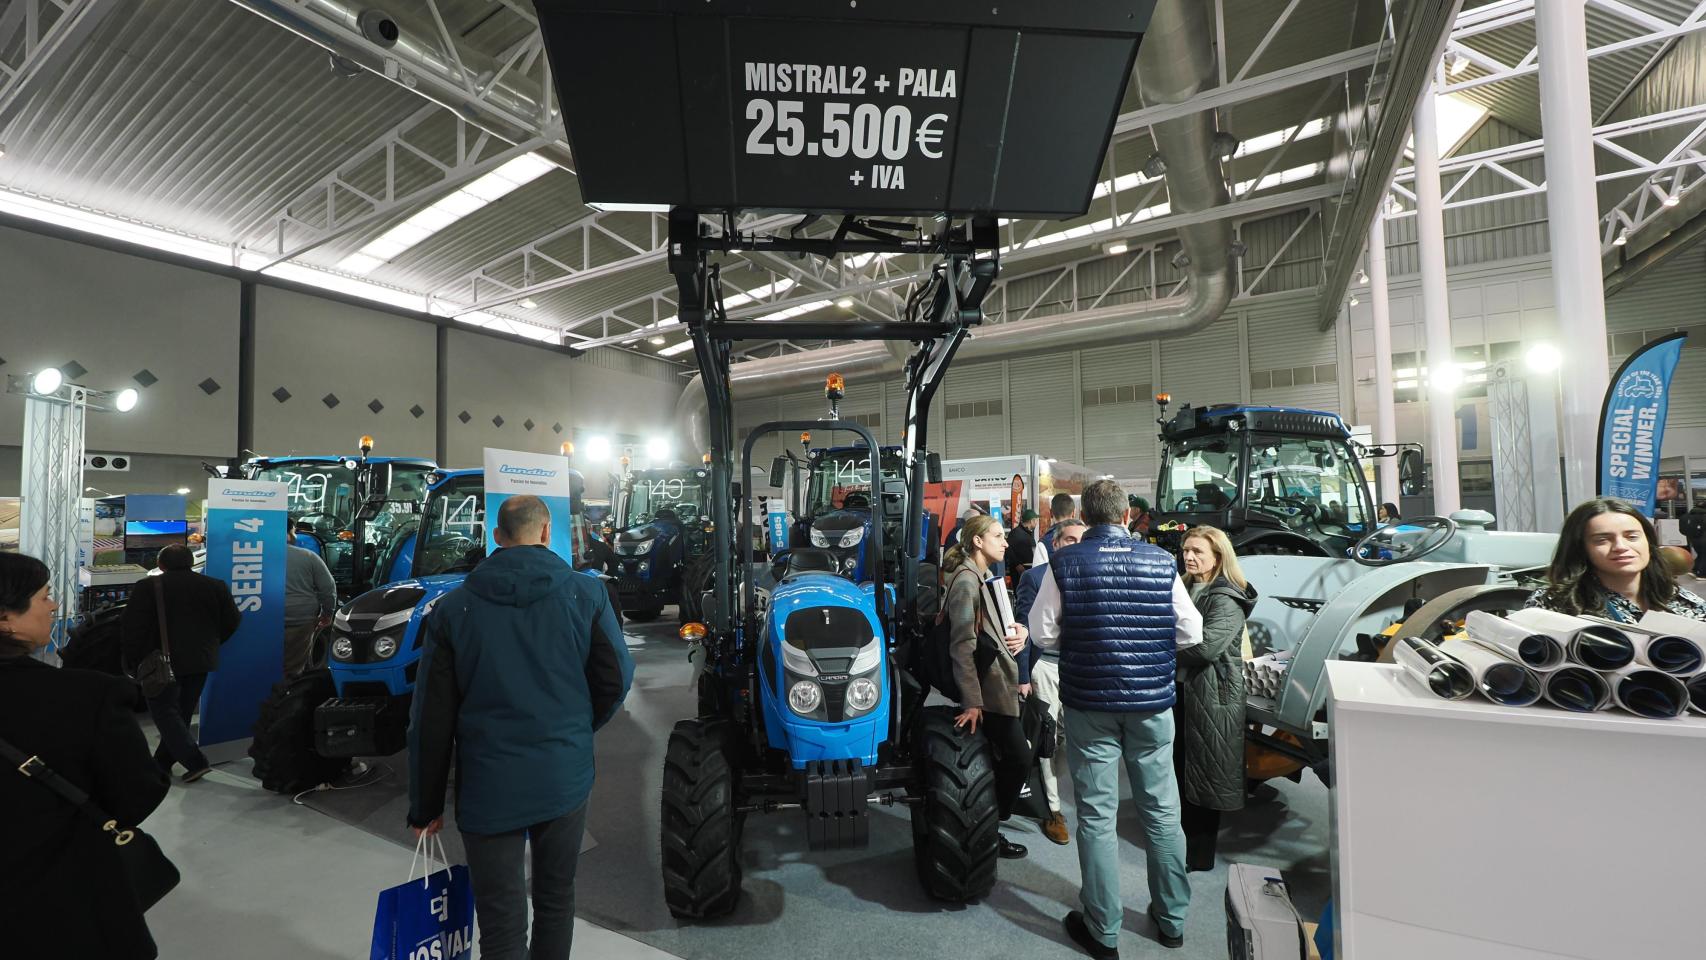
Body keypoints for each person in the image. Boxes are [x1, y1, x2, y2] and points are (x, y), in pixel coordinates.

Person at [408, 495, 634, 960]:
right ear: (548, 533)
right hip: (562, 772)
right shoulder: (587, 594)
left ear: (496, 536)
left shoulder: (452, 610)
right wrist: (577, 726)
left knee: (501, 917)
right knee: (556, 898)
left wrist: (425, 804)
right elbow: (616, 678)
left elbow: (431, 716)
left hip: (489, 784)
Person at [1028, 479, 1203, 956]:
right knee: (1163, 813)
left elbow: (1042, 634)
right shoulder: (1162, 562)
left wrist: (1083, 642)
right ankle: (1171, 920)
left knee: (1097, 816)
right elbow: (1191, 631)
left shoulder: (1063, 563)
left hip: (1090, 703)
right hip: (1151, 704)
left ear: (1086, 517)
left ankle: (1103, 930)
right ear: (1128, 516)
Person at [0, 553, 170, 960]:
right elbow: (138, 795)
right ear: (5, 618)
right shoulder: (87, 696)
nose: (54, 606)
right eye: (44, 597)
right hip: (65, 898)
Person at [942, 514, 1031, 861]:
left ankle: (987, 827)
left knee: (1007, 759)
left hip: (997, 685)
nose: (1006, 542)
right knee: (1018, 758)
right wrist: (972, 702)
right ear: (977, 541)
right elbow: (961, 645)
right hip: (987, 691)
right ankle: (990, 826)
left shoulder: (983, 577)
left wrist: (1020, 633)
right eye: (998, 536)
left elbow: (998, 629)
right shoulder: (967, 581)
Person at [121, 544, 241, 782]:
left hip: (160, 662)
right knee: (181, 713)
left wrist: (133, 661)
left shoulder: (148, 586)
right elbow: (232, 620)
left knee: (165, 713)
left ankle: (195, 761)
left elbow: (132, 628)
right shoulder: (215, 586)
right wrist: (212, 644)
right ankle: (162, 763)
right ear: (190, 562)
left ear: (160, 564)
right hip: (201, 659)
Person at [1176, 526, 1257, 873]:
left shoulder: (1226, 596)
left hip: (1213, 696)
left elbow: (1207, 647)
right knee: (1184, 770)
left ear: (1219, 557)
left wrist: (1158, 647)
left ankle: (1199, 856)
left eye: (1198, 552)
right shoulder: (1187, 587)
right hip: (1185, 691)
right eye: (1186, 550)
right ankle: (1183, 848)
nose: (1190, 557)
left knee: (1206, 774)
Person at [1015, 517, 1087, 846]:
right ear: (1055, 544)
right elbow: (1023, 629)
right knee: (1048, 739)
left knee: (1077, 739)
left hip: (1082, 669)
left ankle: (1084, 806)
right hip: (1045, 667)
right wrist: (1022, 674)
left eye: (1080, 539)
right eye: (1068, 539)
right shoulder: (1034, 577)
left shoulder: (1094, 574)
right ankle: (1053, 810)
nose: (1074, 544)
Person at [1526, 497, 1706, 622]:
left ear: (1648, 542)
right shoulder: (1554, 605)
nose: (1620, 546)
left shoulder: (1685, 602)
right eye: (1602, 539)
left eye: (1632, 537)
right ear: (1580, 548)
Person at [282, 542, 337, 678]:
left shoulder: (255, 556)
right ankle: (287, 695)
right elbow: (327, 589)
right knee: (293, 667)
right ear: (288, 533)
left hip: (262, 620)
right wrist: (327, 614)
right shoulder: (308, 556)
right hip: (300, 619)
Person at [1040, 493, 1079, 560]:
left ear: (1051, 513)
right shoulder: (1083, 539)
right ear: (1073, 513)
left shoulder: (1043, 543)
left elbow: (1038, 569)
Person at [1005, 508, 1040, 581]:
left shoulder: (1027, 533)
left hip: (1029, 571)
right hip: (1019, 573)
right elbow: (1008, 550)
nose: (1037, 523)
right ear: (1032, 521)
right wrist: (1017, 565)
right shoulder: (1015, 533)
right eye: (1036, 520)